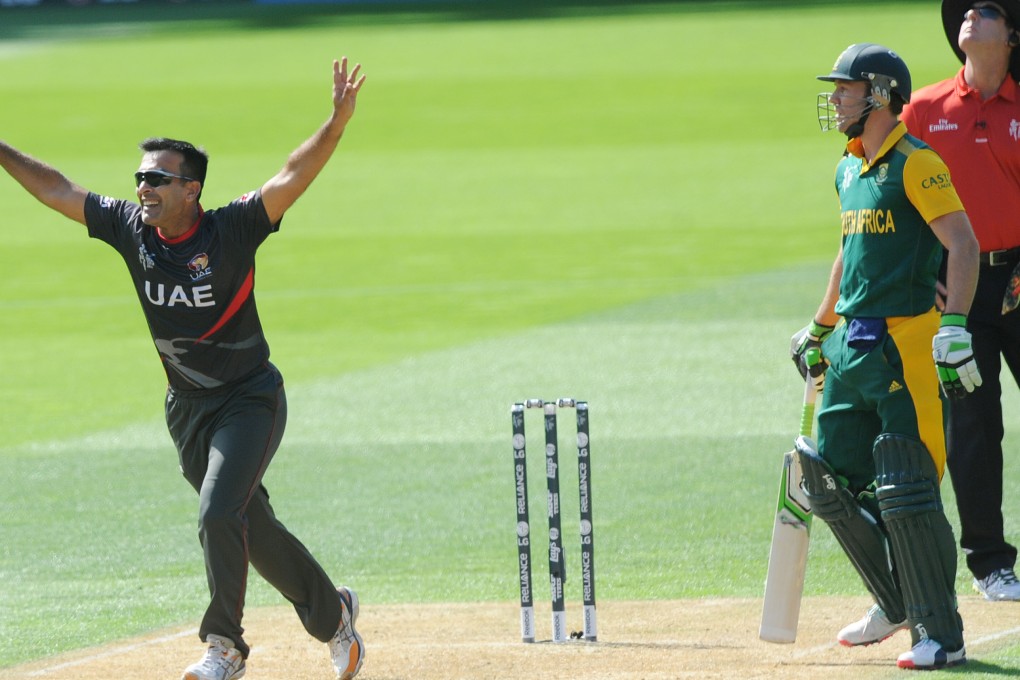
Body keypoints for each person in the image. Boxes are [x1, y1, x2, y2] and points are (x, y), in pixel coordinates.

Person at [0, 57, 367, 680]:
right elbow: (57, 188)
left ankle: (225, 648)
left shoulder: (234, 228)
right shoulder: (129, 229)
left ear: (191, 189)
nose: (143, 187)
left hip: (249, 400)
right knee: (250, 524)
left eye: (157, 179)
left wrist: (335, 123)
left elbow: (293, 173)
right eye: (140, 176)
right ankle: (334, 617)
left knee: (218, 514)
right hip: (186, 409)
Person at [791, 43, 980, 669]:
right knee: (828, 477)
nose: (837, 98)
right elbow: (849, 251)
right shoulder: (849, 168)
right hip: (851, 343)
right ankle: (895, 600)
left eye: (846, 87)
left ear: (880, 93)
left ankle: (941, 635)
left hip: (906, 343)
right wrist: (819, 328)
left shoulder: (915, 164)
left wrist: (953, 323)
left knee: (908, 482)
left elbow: (963, 243)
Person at [899, 0, 1020, 603]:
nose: (972, 13)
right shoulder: (923, 109)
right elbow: (898, 195)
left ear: (1012, 36)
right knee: (972, 427)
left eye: (989, 9)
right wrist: (929, 274)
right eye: (968, 8)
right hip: (959, 291)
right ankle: (991, 564)